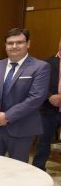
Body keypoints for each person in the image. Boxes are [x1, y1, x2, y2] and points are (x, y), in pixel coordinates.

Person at [0, 28, 50, 163]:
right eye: (10, 43)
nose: (14, 46)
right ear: (5, 45)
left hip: (21, 128)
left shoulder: (40, 67)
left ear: (28, 44)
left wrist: (7, 116)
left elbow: (36, 98)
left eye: (19, 42)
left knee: (18, 172)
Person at [32, 37, 61, 170]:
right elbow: (38, 86)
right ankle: (38, 169)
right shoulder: (45, 63)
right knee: (43, 142)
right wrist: (49, 97)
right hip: (48, 110)